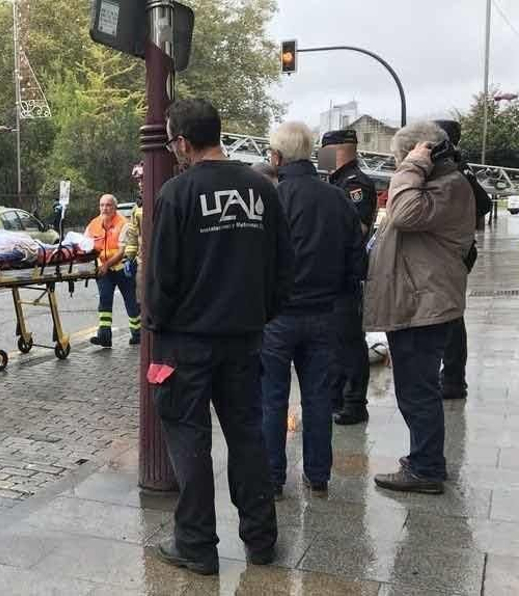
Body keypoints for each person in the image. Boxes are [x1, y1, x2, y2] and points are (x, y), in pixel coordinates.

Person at [146, 98, 292, 575]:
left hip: (187, 342)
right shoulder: (262, 190)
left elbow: (161, 276)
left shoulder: (176, 194)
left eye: (173, 143)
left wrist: (156, 325)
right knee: (247, 435)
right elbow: (281, 268)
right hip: (245, 338)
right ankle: (261, 539)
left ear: (183, 142)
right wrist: (259, 314)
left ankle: (196, 545)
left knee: (189, 440)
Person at [363, 121, 476, 494]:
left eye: (402, 157)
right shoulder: (441, 183)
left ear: (422, 153)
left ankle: (427, 468)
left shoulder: (446, 185)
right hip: (417, 300)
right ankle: (423, 459)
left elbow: (405, 214)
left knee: (417, 390)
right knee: (416, 388)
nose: (397, 165)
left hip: (421, 305)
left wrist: (412, 166)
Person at [256, 122, 363, 500]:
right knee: (319, 398)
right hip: (325, 313)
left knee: (272, 398)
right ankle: (318, 475)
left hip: (278, 316)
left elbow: (257, 261)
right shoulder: (337, 198)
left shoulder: (270, 199)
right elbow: (357, 258)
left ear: (277, 157)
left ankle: (272, 476)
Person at [433, 119, 493, 401]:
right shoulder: (460, 166)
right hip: (459, 249)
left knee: (450, 316)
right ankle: (452, 377)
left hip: (451, 252)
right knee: (451, 315)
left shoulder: (454, 168)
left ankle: (453, 379)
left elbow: (484, 204)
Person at [323, 129, 377, 424]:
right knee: (334, 340)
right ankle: (337, 397)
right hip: (331, 273)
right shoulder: (335, 181)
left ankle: (355, 401)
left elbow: (359, 228)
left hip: (346, 273)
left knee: (349, 340)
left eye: (325, 150)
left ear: (340, 150)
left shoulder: (354, 183)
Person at [87, 194, 141, 347]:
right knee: (104, 301)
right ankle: (104, 336)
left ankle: (137, 334)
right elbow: (86, 245)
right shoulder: (94, 224)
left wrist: (105, 265)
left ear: (115, 207)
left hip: (123, 268)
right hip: (104, 270)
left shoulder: (123, 223)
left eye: (108, 205)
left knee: (131, 301)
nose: (105, 208)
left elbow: (122, 251)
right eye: (102, 205)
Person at [121, 164, 145, 285]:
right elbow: (132, 235)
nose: (140, 183)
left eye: (143, 179)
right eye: (139, 180)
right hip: (143, 261)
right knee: (142, 299)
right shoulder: (137, 208)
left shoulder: (163, 198)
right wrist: (129, 258)